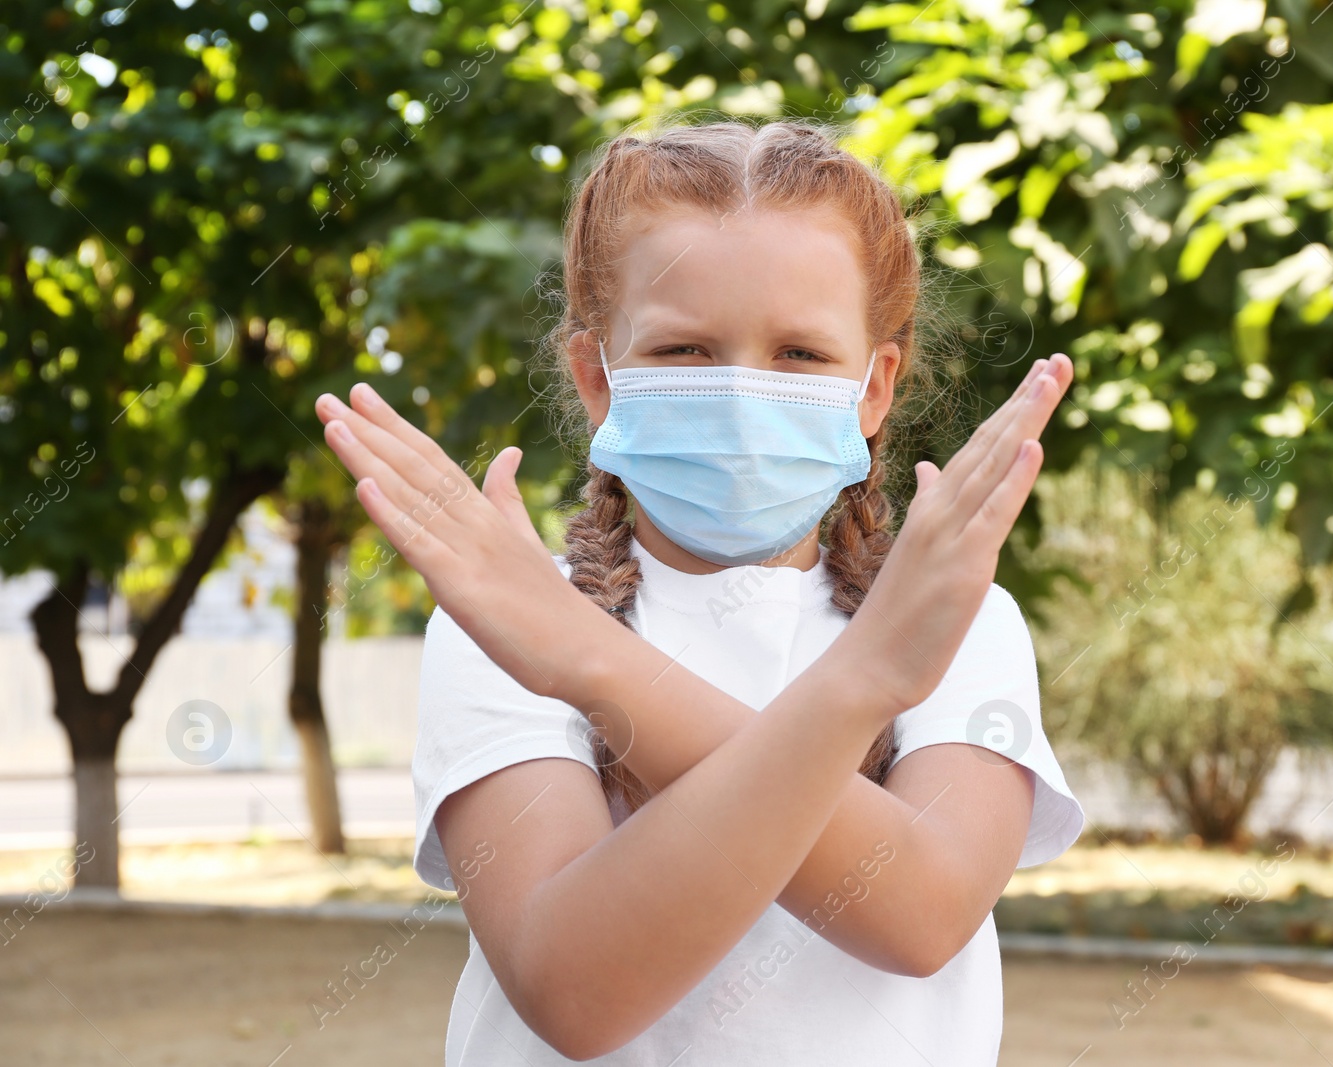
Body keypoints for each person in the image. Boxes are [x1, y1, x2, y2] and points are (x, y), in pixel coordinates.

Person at [314, 116, 1084, 1066]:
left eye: (801, 354)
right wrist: (864, 686)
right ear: (598, 376)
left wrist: (592, 666)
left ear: (875, 385)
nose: (741, 392)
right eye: (684, 351)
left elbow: (920, 913)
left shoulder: (959, 623)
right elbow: (575, 991)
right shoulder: (500, 621)